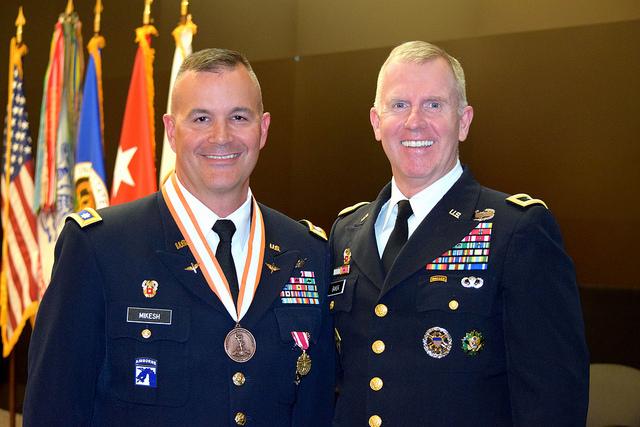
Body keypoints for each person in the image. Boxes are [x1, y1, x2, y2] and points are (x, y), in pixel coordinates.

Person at [24, 48, 334, 426]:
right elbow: (54, 410)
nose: (221, 137)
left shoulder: (306, 252)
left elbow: (317, 408)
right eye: (201, 118)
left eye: (239, 117)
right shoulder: (98, 247)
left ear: (263, 129)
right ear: (172, 131)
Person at [329, 41, 589, 426]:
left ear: (464, 121)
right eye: (399, 105)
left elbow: (553, 403)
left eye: (434, 104)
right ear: (376, 122)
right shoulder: (346, 233)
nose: (415, 121)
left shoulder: (516, 230)